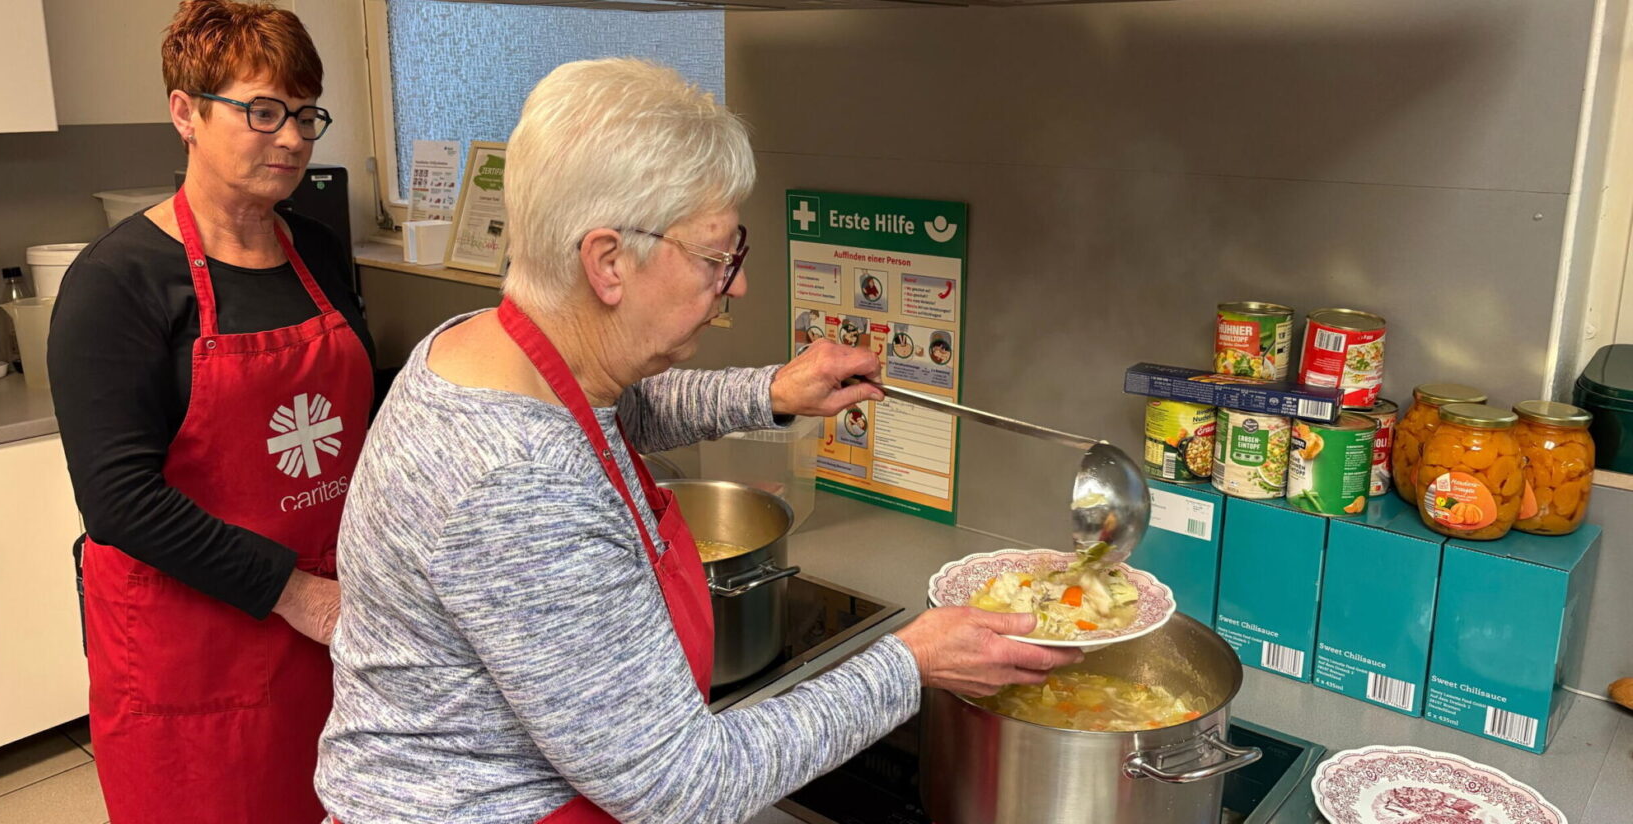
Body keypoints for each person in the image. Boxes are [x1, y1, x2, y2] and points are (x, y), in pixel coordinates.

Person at [317, 58, 1077, 824]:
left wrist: (772, 393)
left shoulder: (483, 349)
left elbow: (614, 417)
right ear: (608, 262)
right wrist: (914, 662)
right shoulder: (516, 488)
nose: (737, 284)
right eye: (718, 258)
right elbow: (682, 786)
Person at [46, 2, 367, 821]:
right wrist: (295, 593)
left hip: (333, 631)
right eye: (262, 111)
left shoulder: (319, 253)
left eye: (305, 113)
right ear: (184, 112)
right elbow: (120, 502)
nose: (292, 137)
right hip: (193, 656)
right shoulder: (116, 283)